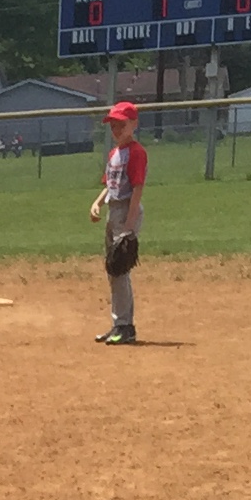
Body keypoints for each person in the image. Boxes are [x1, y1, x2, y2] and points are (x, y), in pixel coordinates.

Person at [89, 101, 148, 346]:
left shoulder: (136, 152)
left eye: (121, 124)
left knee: (120, 271)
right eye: (113, 125)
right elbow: (110, 185)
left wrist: (129, 225)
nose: (116, 129)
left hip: (126, 212)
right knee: (114, 271)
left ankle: (125, 326)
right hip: (113, 210)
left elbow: (137, 189)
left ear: (133, 124)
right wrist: (97, 202)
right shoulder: (114, 154)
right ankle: (119, 324)